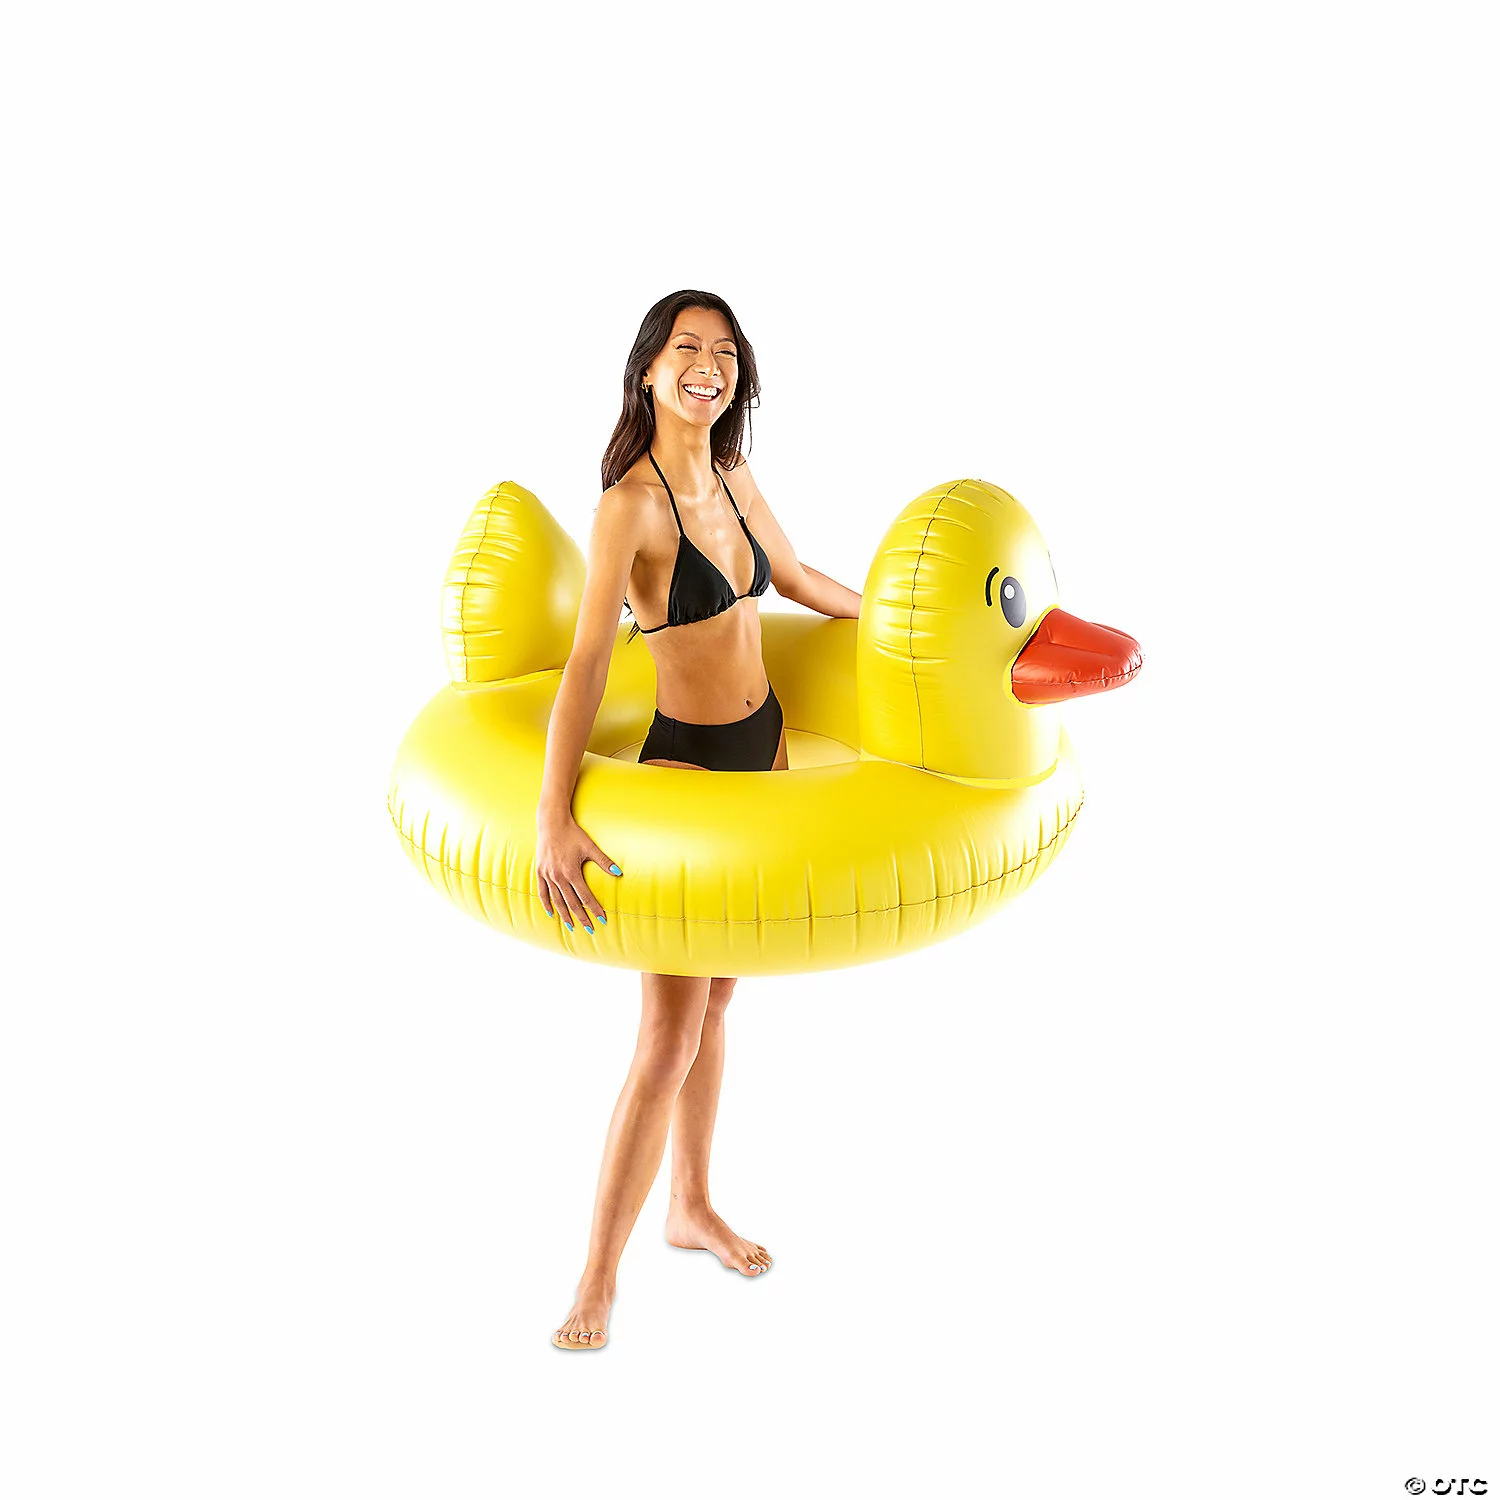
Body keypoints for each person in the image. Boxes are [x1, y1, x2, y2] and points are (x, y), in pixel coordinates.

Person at [534, 291, 862, 1349]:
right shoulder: (628, 507)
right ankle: (595, 1278)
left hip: (765, 748)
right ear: (648, 369)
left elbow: (798, 578)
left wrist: (902, 623)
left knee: (719, 1005)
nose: (707, 365)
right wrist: (552, 815)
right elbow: (589, 664)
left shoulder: (731, 471)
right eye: (687, 348)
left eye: (724, 351)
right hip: (687, 769)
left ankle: (691, 1204)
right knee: (668, 1034)